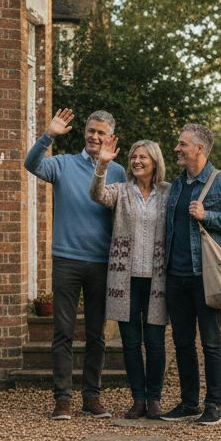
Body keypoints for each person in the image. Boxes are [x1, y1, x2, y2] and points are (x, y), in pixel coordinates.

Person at [24, 108, 126, 420]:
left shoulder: (119, 172)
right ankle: (63, 398)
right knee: (63, 331)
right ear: (84, 133)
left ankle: (91, 397)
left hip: (101, 262)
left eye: (101, 133)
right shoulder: (63, 164)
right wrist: (49, 135)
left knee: (96, 334)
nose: (95, 137)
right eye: (91, 131)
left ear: (111, 138)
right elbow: (31, 164)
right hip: (66, 259)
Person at [159, 123, 221, 426]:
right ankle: (188, 403)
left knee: (211, 341)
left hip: (207, 275)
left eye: (182, 144)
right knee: (182, 341)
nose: (177, 148)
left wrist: (207, 216)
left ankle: (214, 405)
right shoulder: (176, 185)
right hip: (175, 276)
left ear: (199, 148)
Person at [89, 135, 171, 420]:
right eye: (133, 157)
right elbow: (97, 194)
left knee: (155, 340)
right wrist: (102, 165)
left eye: (142, 157)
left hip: (157, 279)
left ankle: (155, 399)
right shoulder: (121, 191)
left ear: (154, 162)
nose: (136, 161)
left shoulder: (168, 192)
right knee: (131, 341)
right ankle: (138, 399)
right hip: (125, 279)